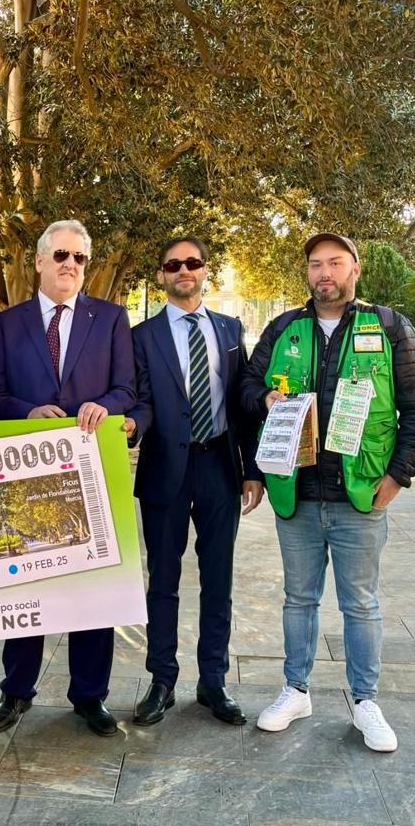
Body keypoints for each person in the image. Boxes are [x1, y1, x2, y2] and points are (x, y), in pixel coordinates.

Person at [241, 232, 415, 752]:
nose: (324, 273)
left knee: (361, 604)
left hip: (361, 495)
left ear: (355, 269)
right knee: (298, 599)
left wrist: (399, 477)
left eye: (335, 263)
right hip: (297, 493)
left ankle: (366, 701)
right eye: (315, 265)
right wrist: (264, 399)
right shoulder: (285, 328)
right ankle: (295, 690)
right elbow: (246, 389)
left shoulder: (390, 328)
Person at [0, 219, 136, 737]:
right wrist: (25, 412)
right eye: (62, 255)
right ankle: (15, 691)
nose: (71, 264)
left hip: (91, 475)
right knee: (25, 586)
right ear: (41, 262)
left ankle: (90, 696)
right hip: (25, 479)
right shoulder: (8, 323)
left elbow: (127, 389)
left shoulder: (112, 318)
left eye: (80, 257)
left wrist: (105, 404)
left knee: (92, 588)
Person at [128, 236, 265, 727]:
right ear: (161, 275)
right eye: (173, 264)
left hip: (219, 469)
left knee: (218, 580)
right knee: (162, 582)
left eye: (192, 262)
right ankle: (162, 679)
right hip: (165, 469)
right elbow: (138, 398)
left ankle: (214, 682)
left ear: (206, 269)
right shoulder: (141, 336)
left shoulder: (230, 329)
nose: (183, 270)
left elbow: (242, 403)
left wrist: (252, 470)